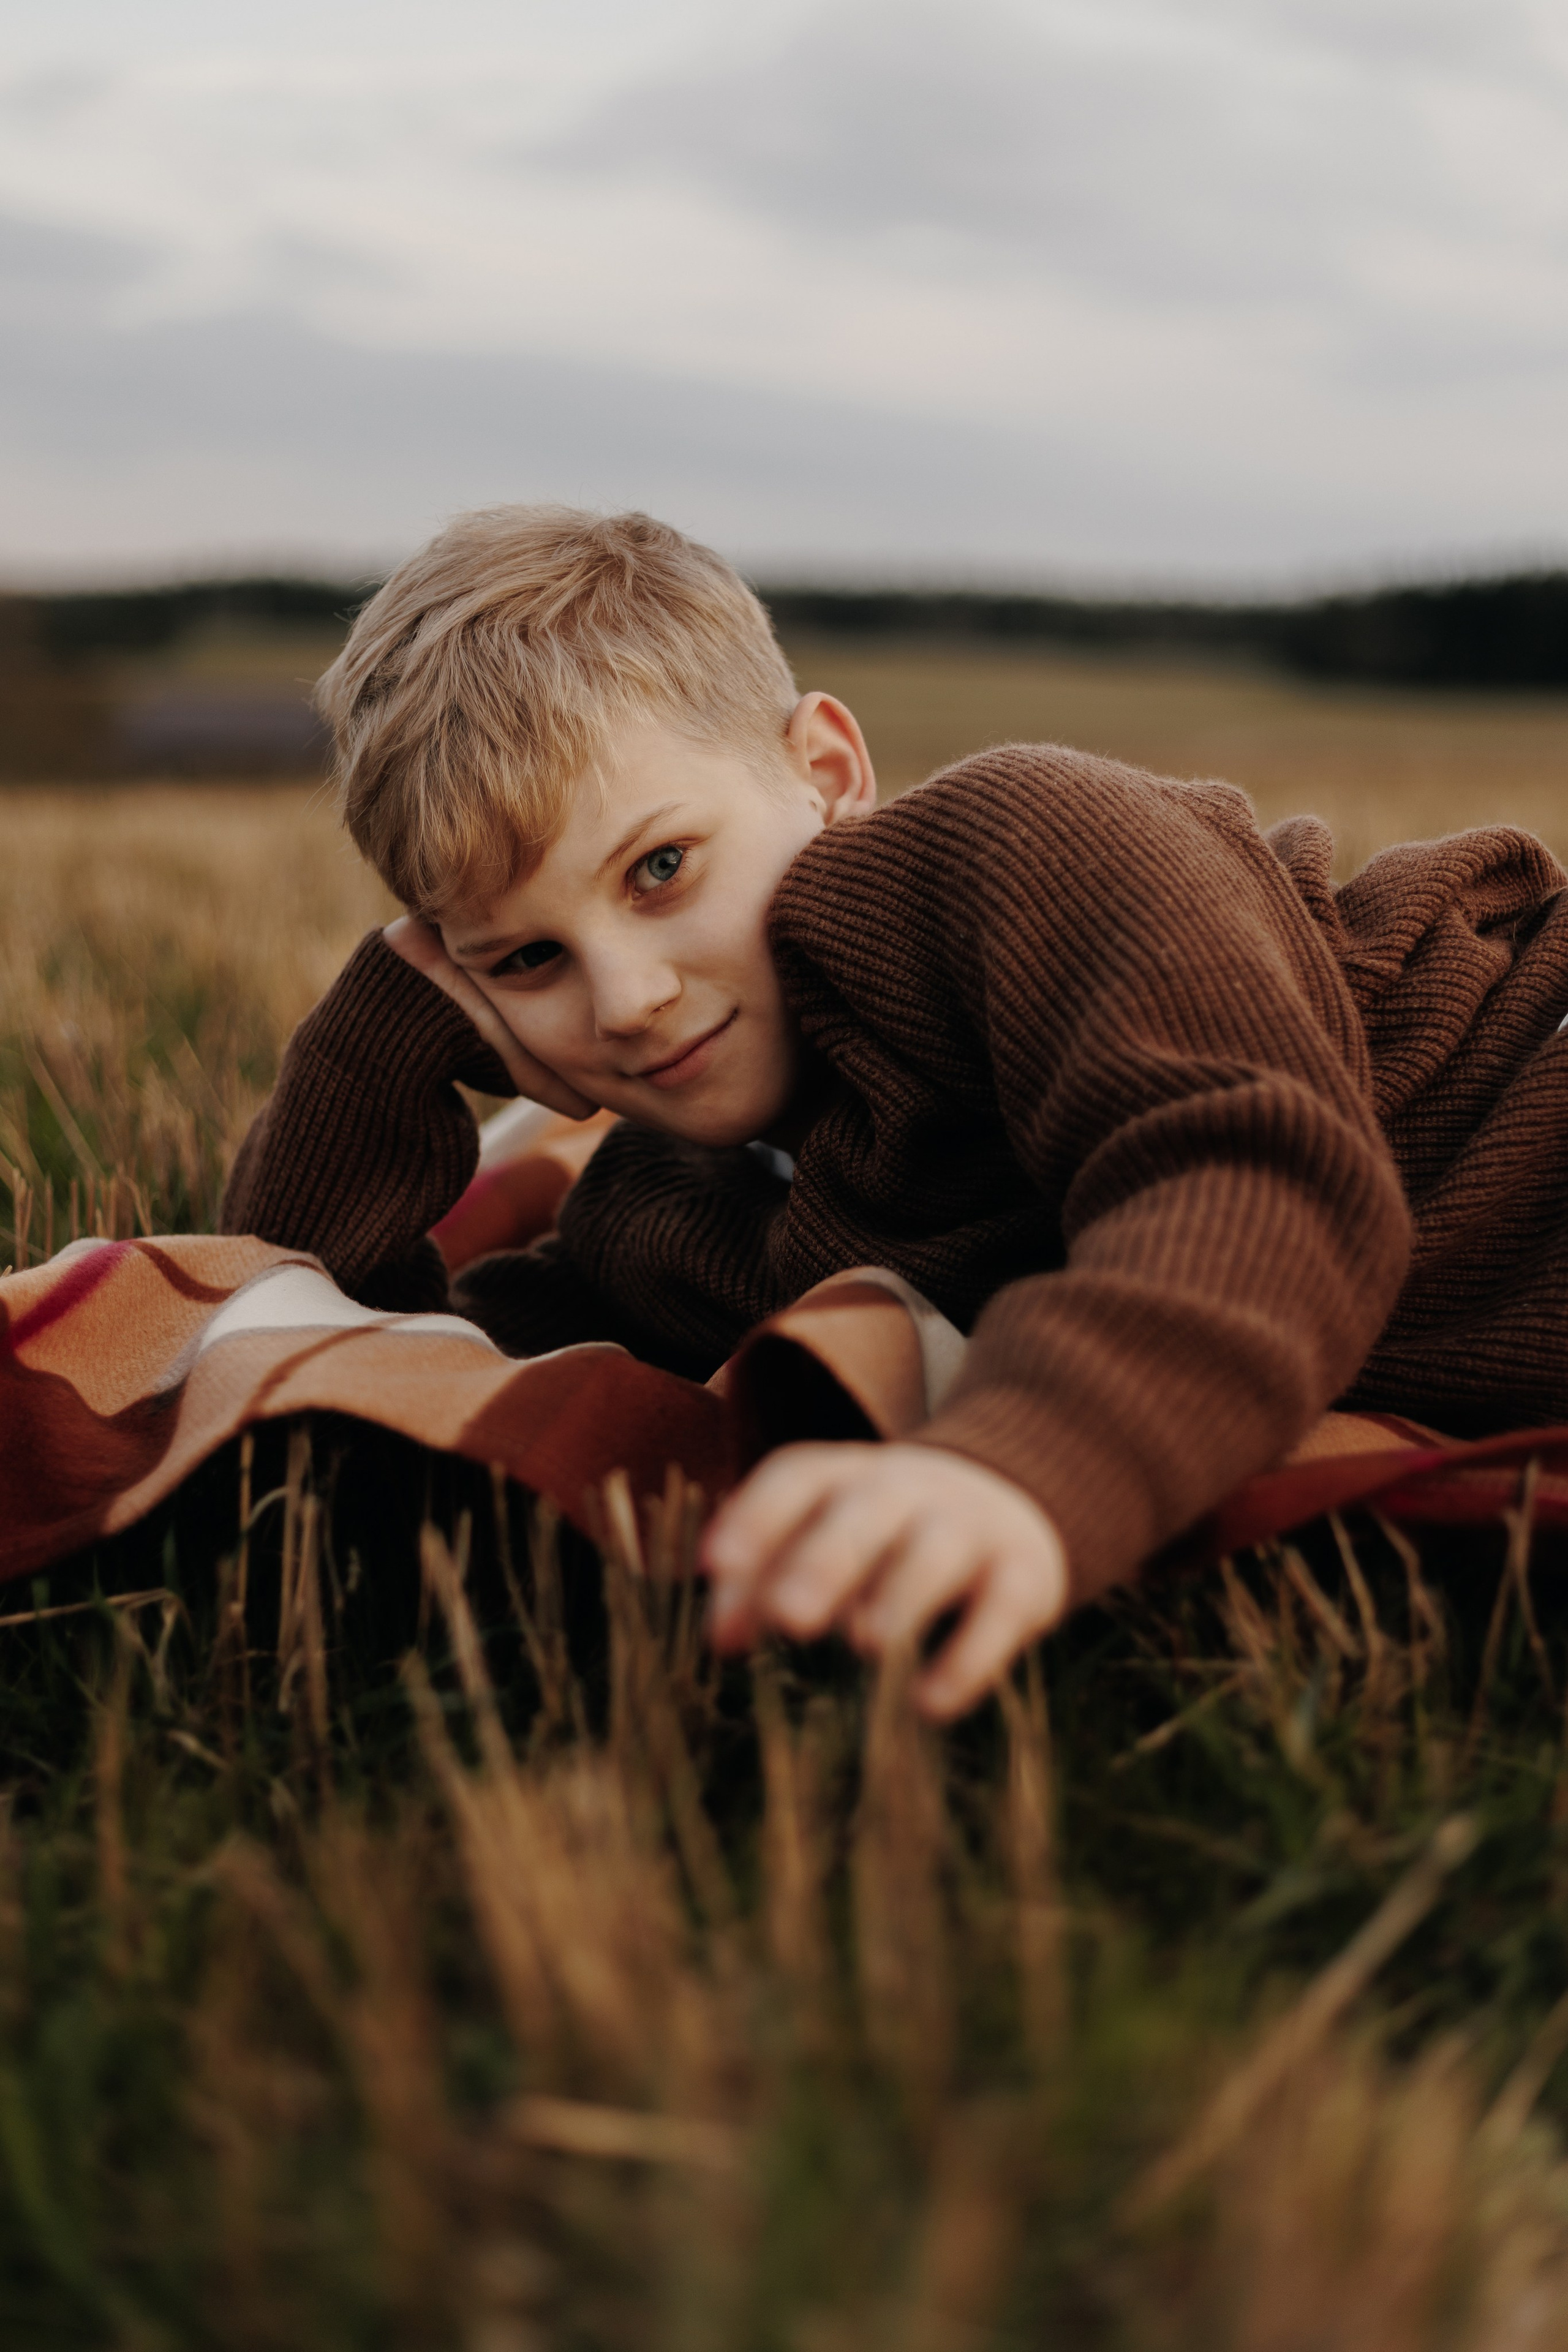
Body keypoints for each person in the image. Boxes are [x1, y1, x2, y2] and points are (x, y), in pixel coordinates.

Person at [223, 505, 1568, 1716]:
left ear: (825, 771)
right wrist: (372, 1057)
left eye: (661, 869)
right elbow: (349, 1386)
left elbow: (1255, 1179)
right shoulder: (669, 1219)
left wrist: (1018, 1465)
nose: (627, 1000)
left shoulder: (1015, 850)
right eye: (528, 958)